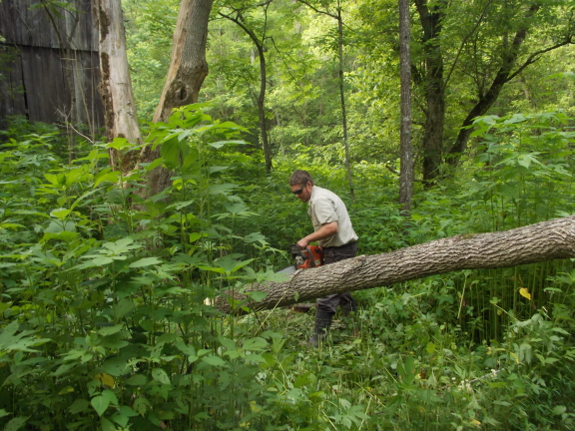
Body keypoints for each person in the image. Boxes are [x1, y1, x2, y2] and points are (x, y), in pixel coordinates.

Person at [289, 169, 358, 347]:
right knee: (342, 289)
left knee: (327, 293)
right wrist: (320, 246)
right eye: (294, 192)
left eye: (299, 191)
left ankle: (317, 341)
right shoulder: (318, 197)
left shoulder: (320, 200)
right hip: (335, 249)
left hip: (340, 250)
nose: (297, 195)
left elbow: (331, 227)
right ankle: (355, 326)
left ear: (309, 184)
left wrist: (306, 239)